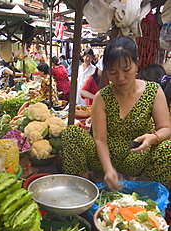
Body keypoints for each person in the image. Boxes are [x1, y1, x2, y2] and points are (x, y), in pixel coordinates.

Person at [62, 36, 171, 189]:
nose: (120, 78)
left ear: (136, 63)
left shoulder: (153, 90)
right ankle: (84, 189)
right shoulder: (102, 96)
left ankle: (143, 194)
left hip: (136, 156)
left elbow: (166, 129)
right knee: (71, 133)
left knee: (168, 149)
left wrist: (153, 138)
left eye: (126, 70)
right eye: (113, 72)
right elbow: (99, 139)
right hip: (103, 158)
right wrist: (108, 169)